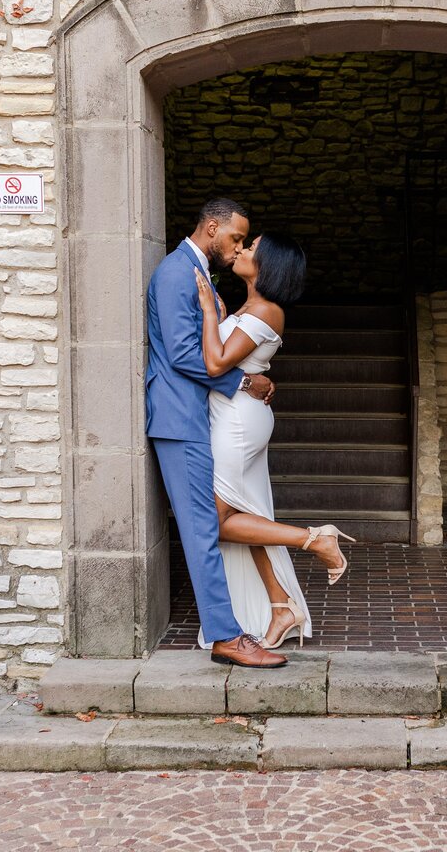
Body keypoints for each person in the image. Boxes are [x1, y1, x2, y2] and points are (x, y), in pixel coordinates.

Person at [194, 231, 356, 650]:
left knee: (212, 523)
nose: (243, 249)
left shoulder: (267, 309)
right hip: (233, 415)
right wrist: (222, 318)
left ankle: (314, 539)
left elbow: (214, 363)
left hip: (238, 425)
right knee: (247, 518)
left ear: (268, 265)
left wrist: (210, 312)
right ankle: (281, 606)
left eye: (252, 248)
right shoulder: (250, 307)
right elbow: (228, 360)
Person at [145, 198, 287, 669]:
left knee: (208, 526)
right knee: (204, 530)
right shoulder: (176, 272)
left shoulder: (199, 272)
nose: (238, 247)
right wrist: (245, 380)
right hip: (179, 418)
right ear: (211, 228)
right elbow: (188, 356)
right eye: (236, 238)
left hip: (193, 417)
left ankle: (247, 621)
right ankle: (228, 637)